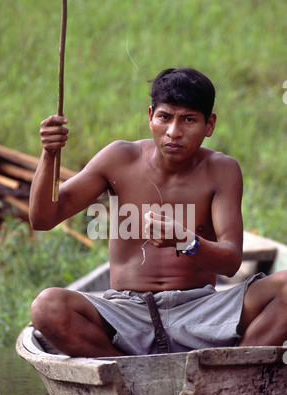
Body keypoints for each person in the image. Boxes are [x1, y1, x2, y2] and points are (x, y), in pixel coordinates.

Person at [29, 67, 287, 357]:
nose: (173, 132)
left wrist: (186, 242)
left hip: (200, 311)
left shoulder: (222, 170)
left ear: (209, 125)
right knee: (46, 307)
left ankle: (232, 374)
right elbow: (43, 219)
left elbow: (230, 262)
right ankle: (124, 374)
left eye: (188, 120)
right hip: (126, 313)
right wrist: (49, 154)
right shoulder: (119, 159)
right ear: (150, 116)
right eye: (165, 117)